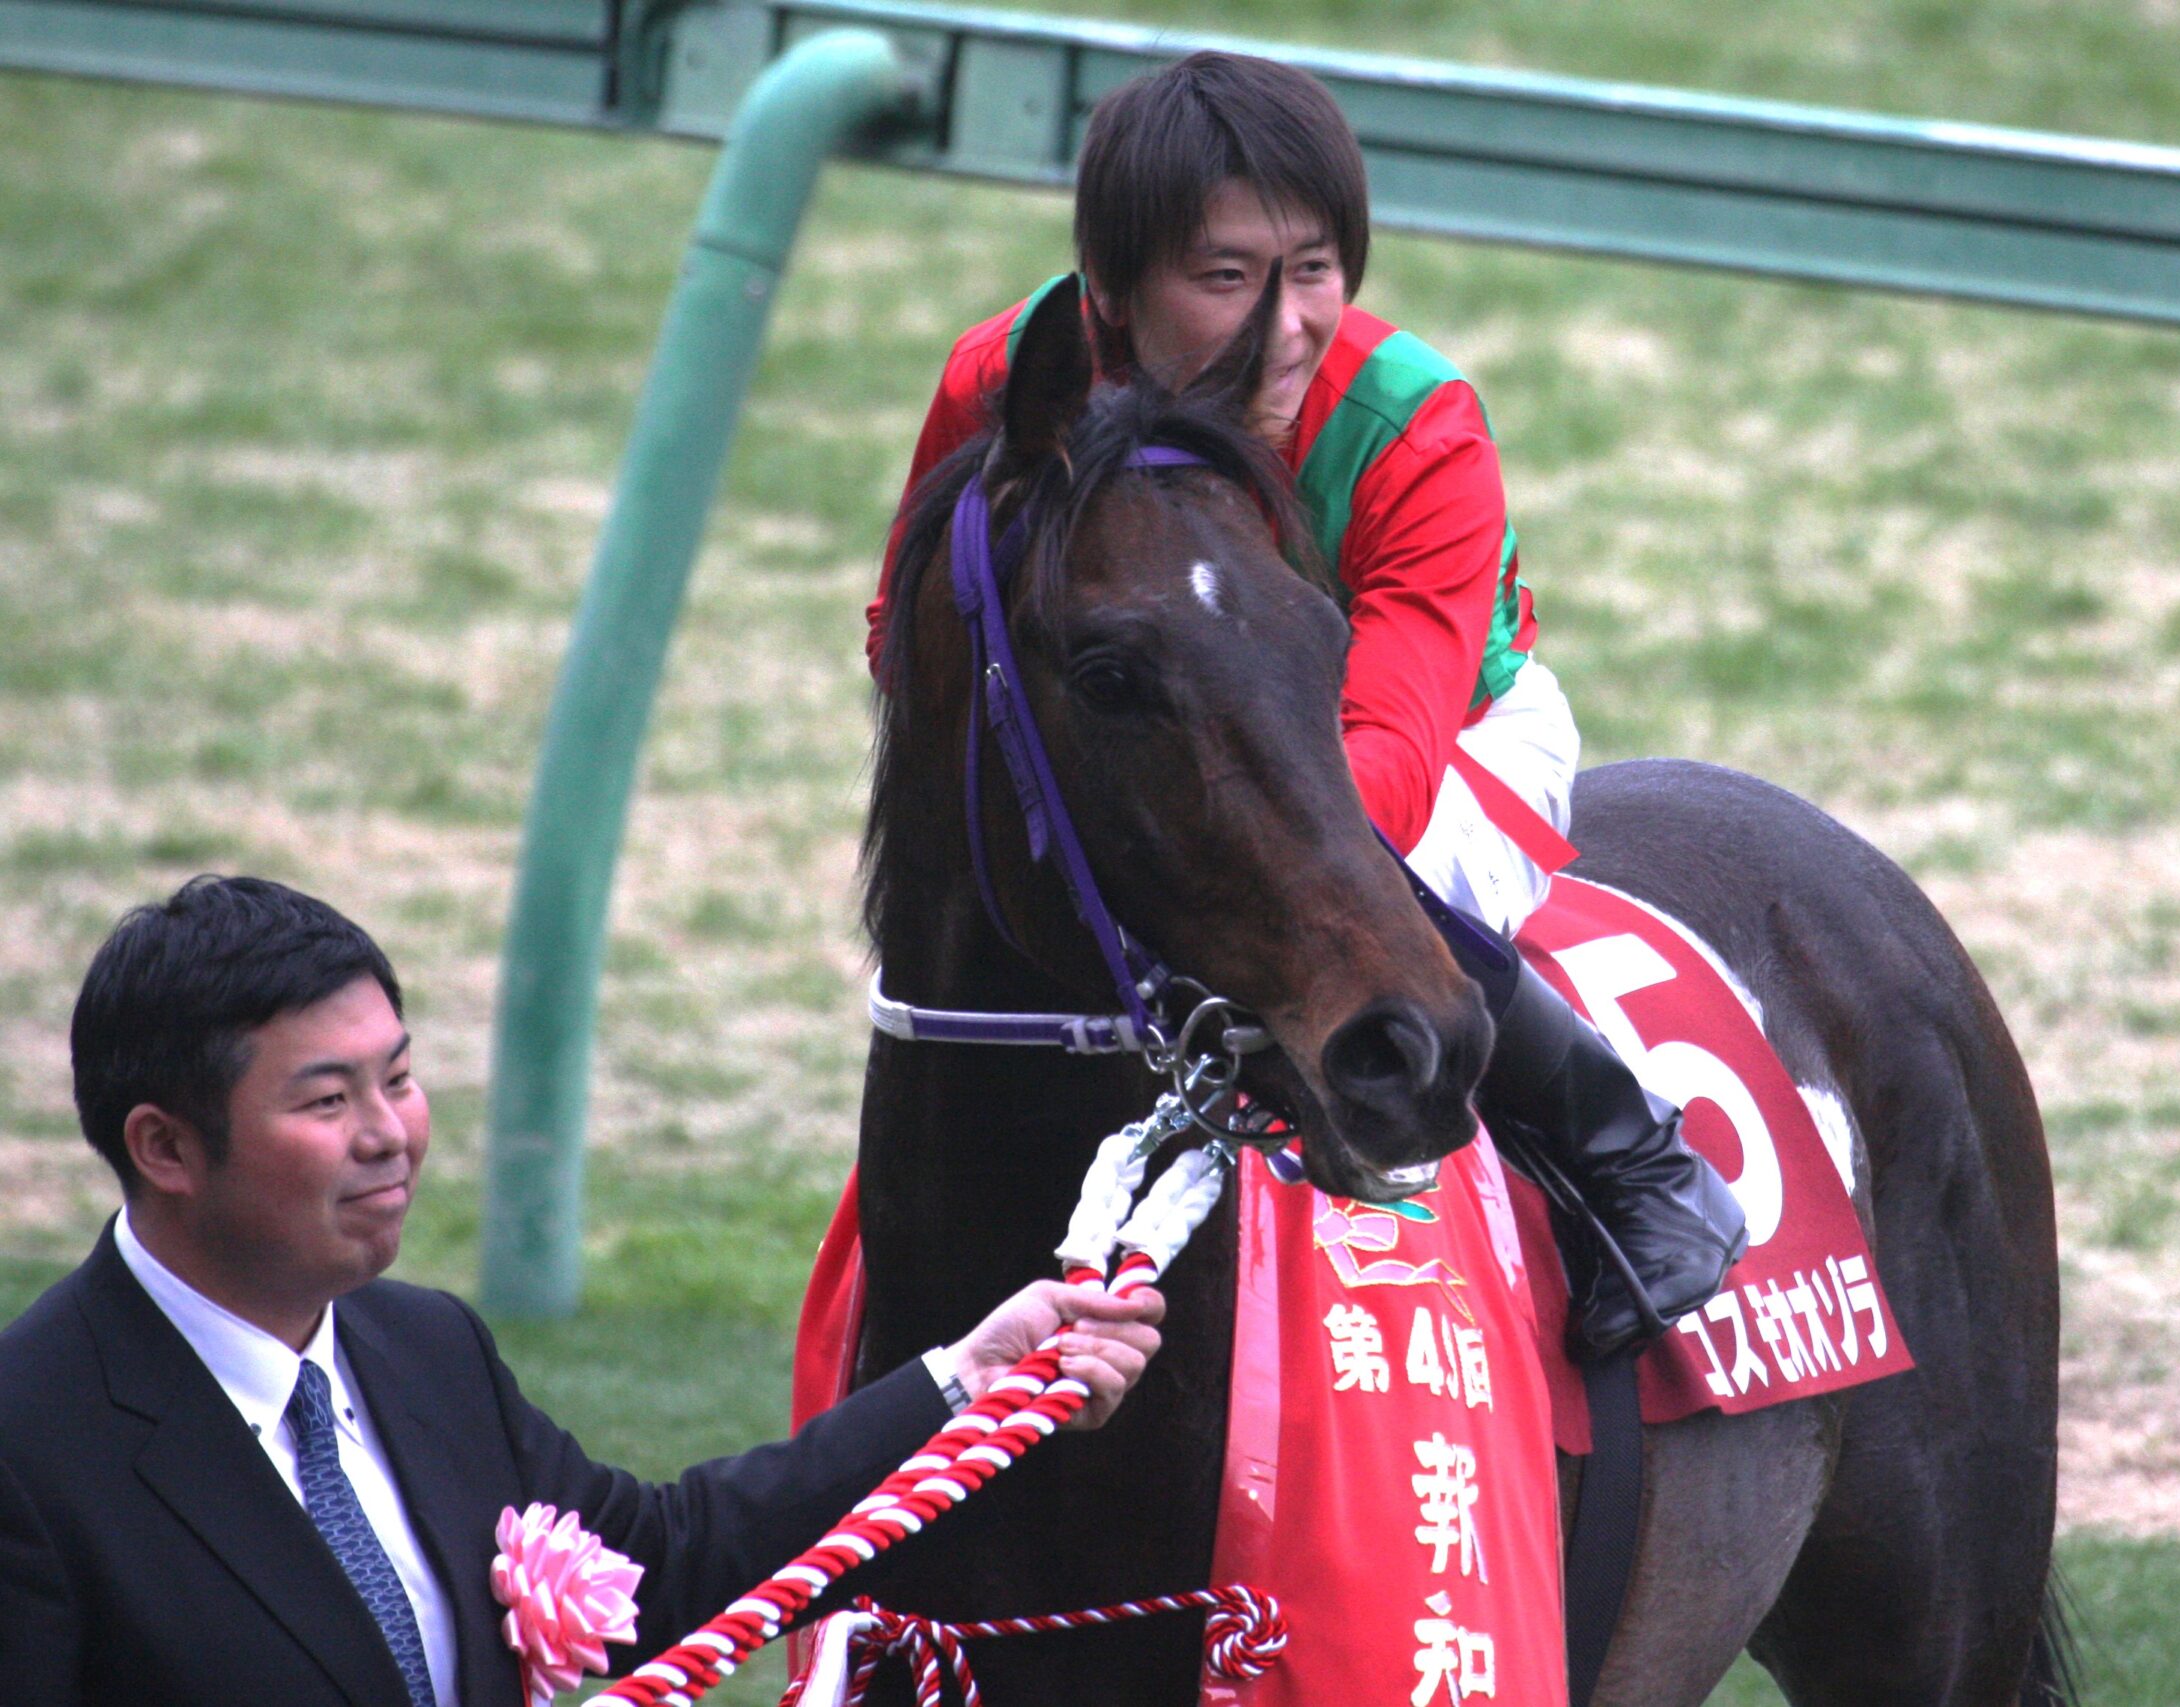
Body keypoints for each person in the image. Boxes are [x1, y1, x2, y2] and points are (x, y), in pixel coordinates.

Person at [860, 51, 1746, 1360]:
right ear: (1110, 291)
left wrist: (1258, 846)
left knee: (1352, 871)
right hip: (1185, 729)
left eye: (1317, 269)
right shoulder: (1001, 377)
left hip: (1436, 737)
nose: (1286, 325)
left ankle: (1625, 1147)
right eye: (1225, 278)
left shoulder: (1417, 427)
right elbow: (915, 634)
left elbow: (1379, 763)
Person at [0, 875, 1164, 1707]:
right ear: (164, 1148)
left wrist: (967, 1383)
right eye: (326, 1102)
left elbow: (665, 1565)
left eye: (398, 1079)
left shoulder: (424, 1351)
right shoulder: (30, 1447)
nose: (389, 1136)